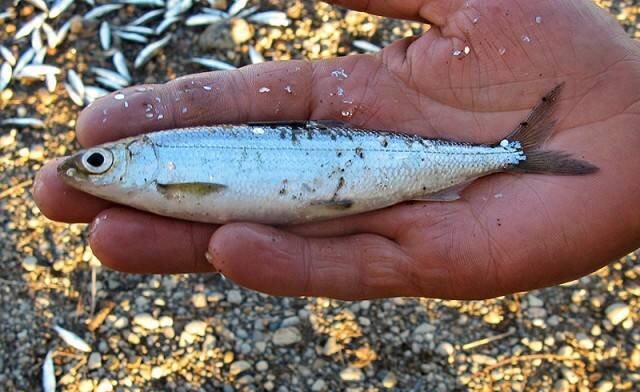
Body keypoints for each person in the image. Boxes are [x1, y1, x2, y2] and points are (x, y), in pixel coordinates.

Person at [33, 0, 640, 300]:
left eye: (98, 163)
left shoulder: (165, 166)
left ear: (140, 161)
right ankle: (511, 153)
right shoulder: (161, 174)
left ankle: (513, 153)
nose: (88, 169)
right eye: (94, 162)